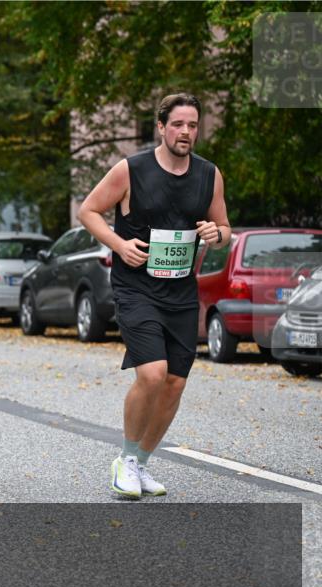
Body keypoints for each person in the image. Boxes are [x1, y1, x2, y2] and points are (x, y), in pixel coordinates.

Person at [78, 93, 231, 499]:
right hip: (136, 287)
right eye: (178, 124)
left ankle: (142, 463)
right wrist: (119, 244)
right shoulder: (131, 170)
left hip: (180, 289)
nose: (186, 132)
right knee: (152, 373)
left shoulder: (209, 175)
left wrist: (218, 236)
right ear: (161, 127)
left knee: (175, 383)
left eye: (193, 125)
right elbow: (88, 211)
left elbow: (224, 227)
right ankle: (125, 460)